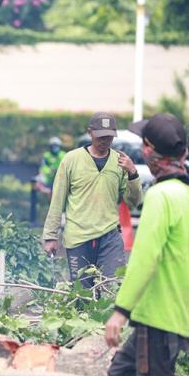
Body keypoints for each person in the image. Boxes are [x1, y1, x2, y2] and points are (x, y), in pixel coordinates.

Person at [105, 113, 189, 376]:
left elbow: (145, 257)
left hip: (157, 320)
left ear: (150, 149)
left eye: (143, 144)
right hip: (172, 316)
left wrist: (121, 310)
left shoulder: (162, 196)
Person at [42, 112, 143, 289]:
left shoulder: (119, 162)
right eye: (100, 137)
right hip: (78, 238)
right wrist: (50, 236)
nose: (104, 141)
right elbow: (57, 201)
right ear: (90, 133)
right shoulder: (71, 160)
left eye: (109, 137)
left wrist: (132, 173)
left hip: (109, 236)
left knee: (113, 288)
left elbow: (133, 202)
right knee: (83, 294)